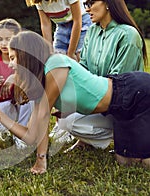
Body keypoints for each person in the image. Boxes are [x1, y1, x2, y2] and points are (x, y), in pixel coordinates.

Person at [0, 31, 150, 172]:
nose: (10, 64)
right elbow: (31, 136)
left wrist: (41, 161)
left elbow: (44, 116)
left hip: (135, 92)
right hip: (117, 110)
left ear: (26, 56)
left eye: (13, 58)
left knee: (144, 163)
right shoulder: (41, 85)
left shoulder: (56, 63)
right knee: (125, 161)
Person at [48, 0, 148, 154]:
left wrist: (82, 106)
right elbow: (84, 70)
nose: (86, 9)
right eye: (85, 5)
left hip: (123, 105)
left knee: (71, 121)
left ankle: (131, 133)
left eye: (90, 3)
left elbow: (120, 90)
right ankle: (88, 141)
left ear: (108, 3)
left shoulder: (128, 35)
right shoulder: (93, 31)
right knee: (65, 120)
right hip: (100, 99)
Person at [0, 18, 32, 149]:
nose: (3, 44)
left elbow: (33, 83)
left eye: (8, 39)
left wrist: (15, 76)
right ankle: (9, 127)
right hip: (1, 106)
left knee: (30, 97)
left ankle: (20, 134)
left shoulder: (23, 60)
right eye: (0, 39)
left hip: (19, 103)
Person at [26, 0, 92, 61]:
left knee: (79, 55)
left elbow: (77, 21)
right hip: (62, 26)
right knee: (58, 58)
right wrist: (49, 52)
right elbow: (46, 25)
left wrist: (71, 52)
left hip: (82, 22)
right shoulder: (39, 1)